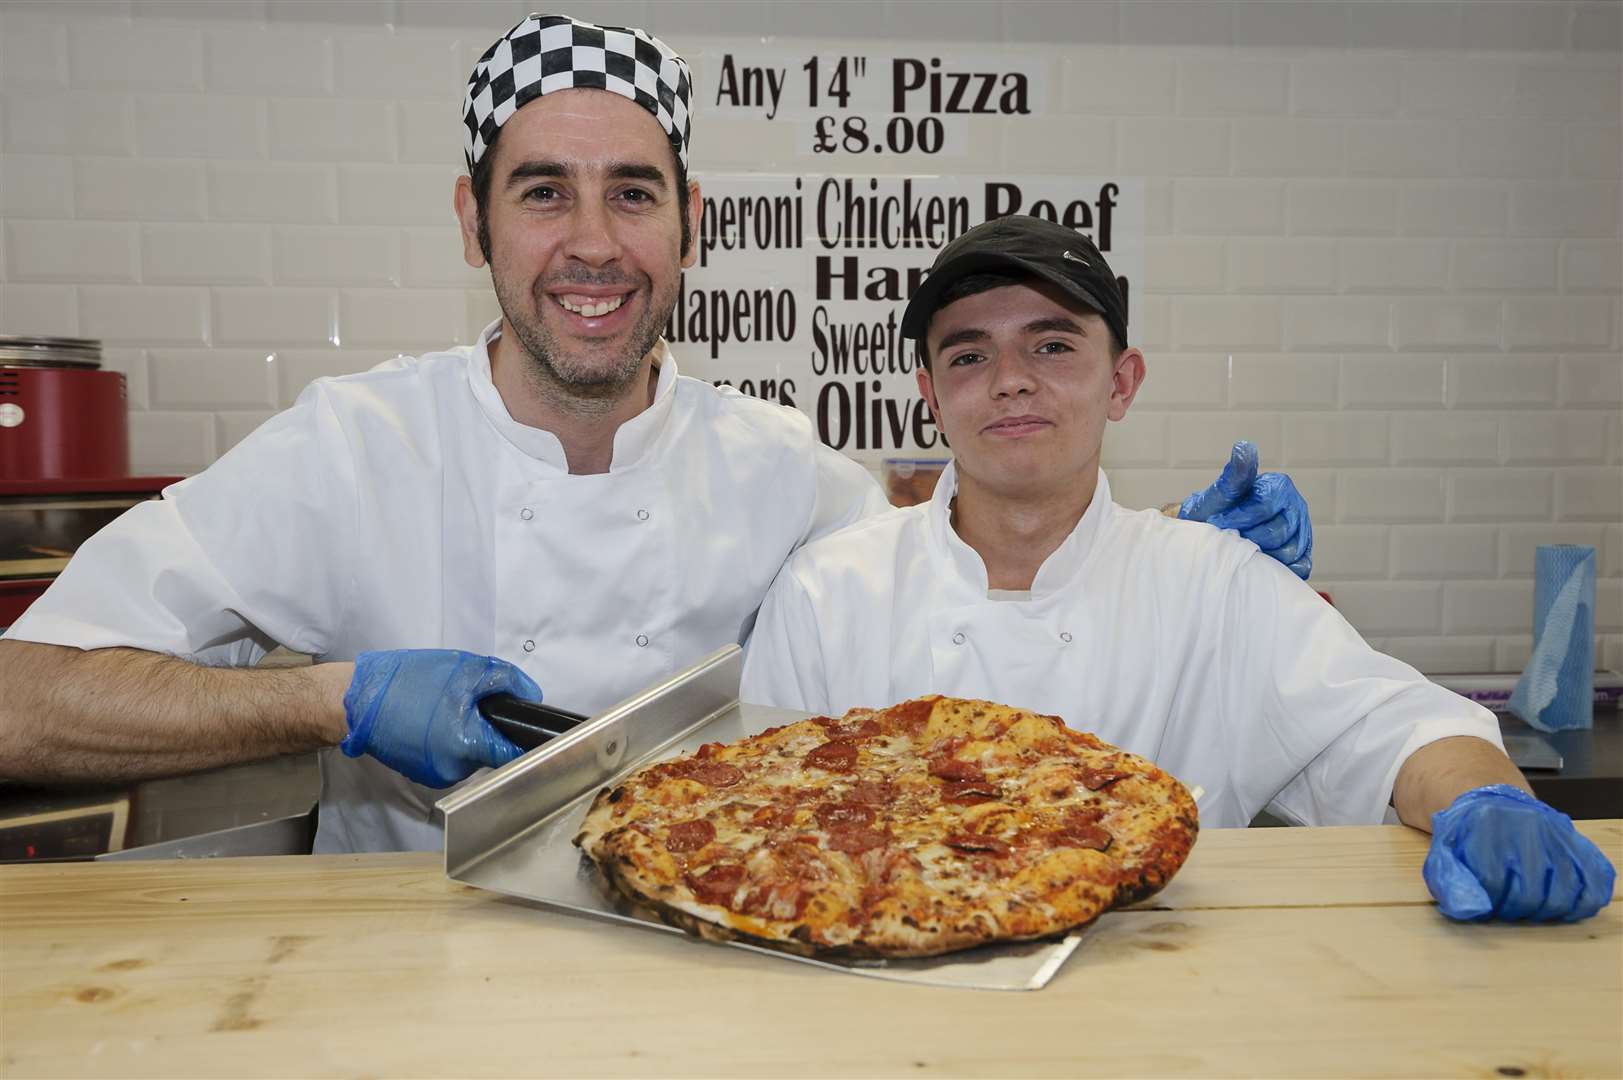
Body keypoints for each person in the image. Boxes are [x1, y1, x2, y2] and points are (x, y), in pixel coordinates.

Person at [0, 14, 1309, 854]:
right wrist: (331, 699)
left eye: (631, 194)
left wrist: (1152, 562)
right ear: (473, 223)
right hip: (411, 992)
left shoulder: (781, 473)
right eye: (540, 193)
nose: (589, 242)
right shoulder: (349, 450)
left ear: (689, 225)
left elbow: (960, 581)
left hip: (718, 982)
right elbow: (22, 705)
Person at [740, 215, 1614, 923]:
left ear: (1121, 383)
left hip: (1164, 1000)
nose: (1009, 380)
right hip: (888, 1002)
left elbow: (1399, 728)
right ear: (930, 396)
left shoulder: (1215, 583)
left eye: (1051, 347)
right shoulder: (828, 591)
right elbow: (764, 825)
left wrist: (1486, 802)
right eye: (968, 355)